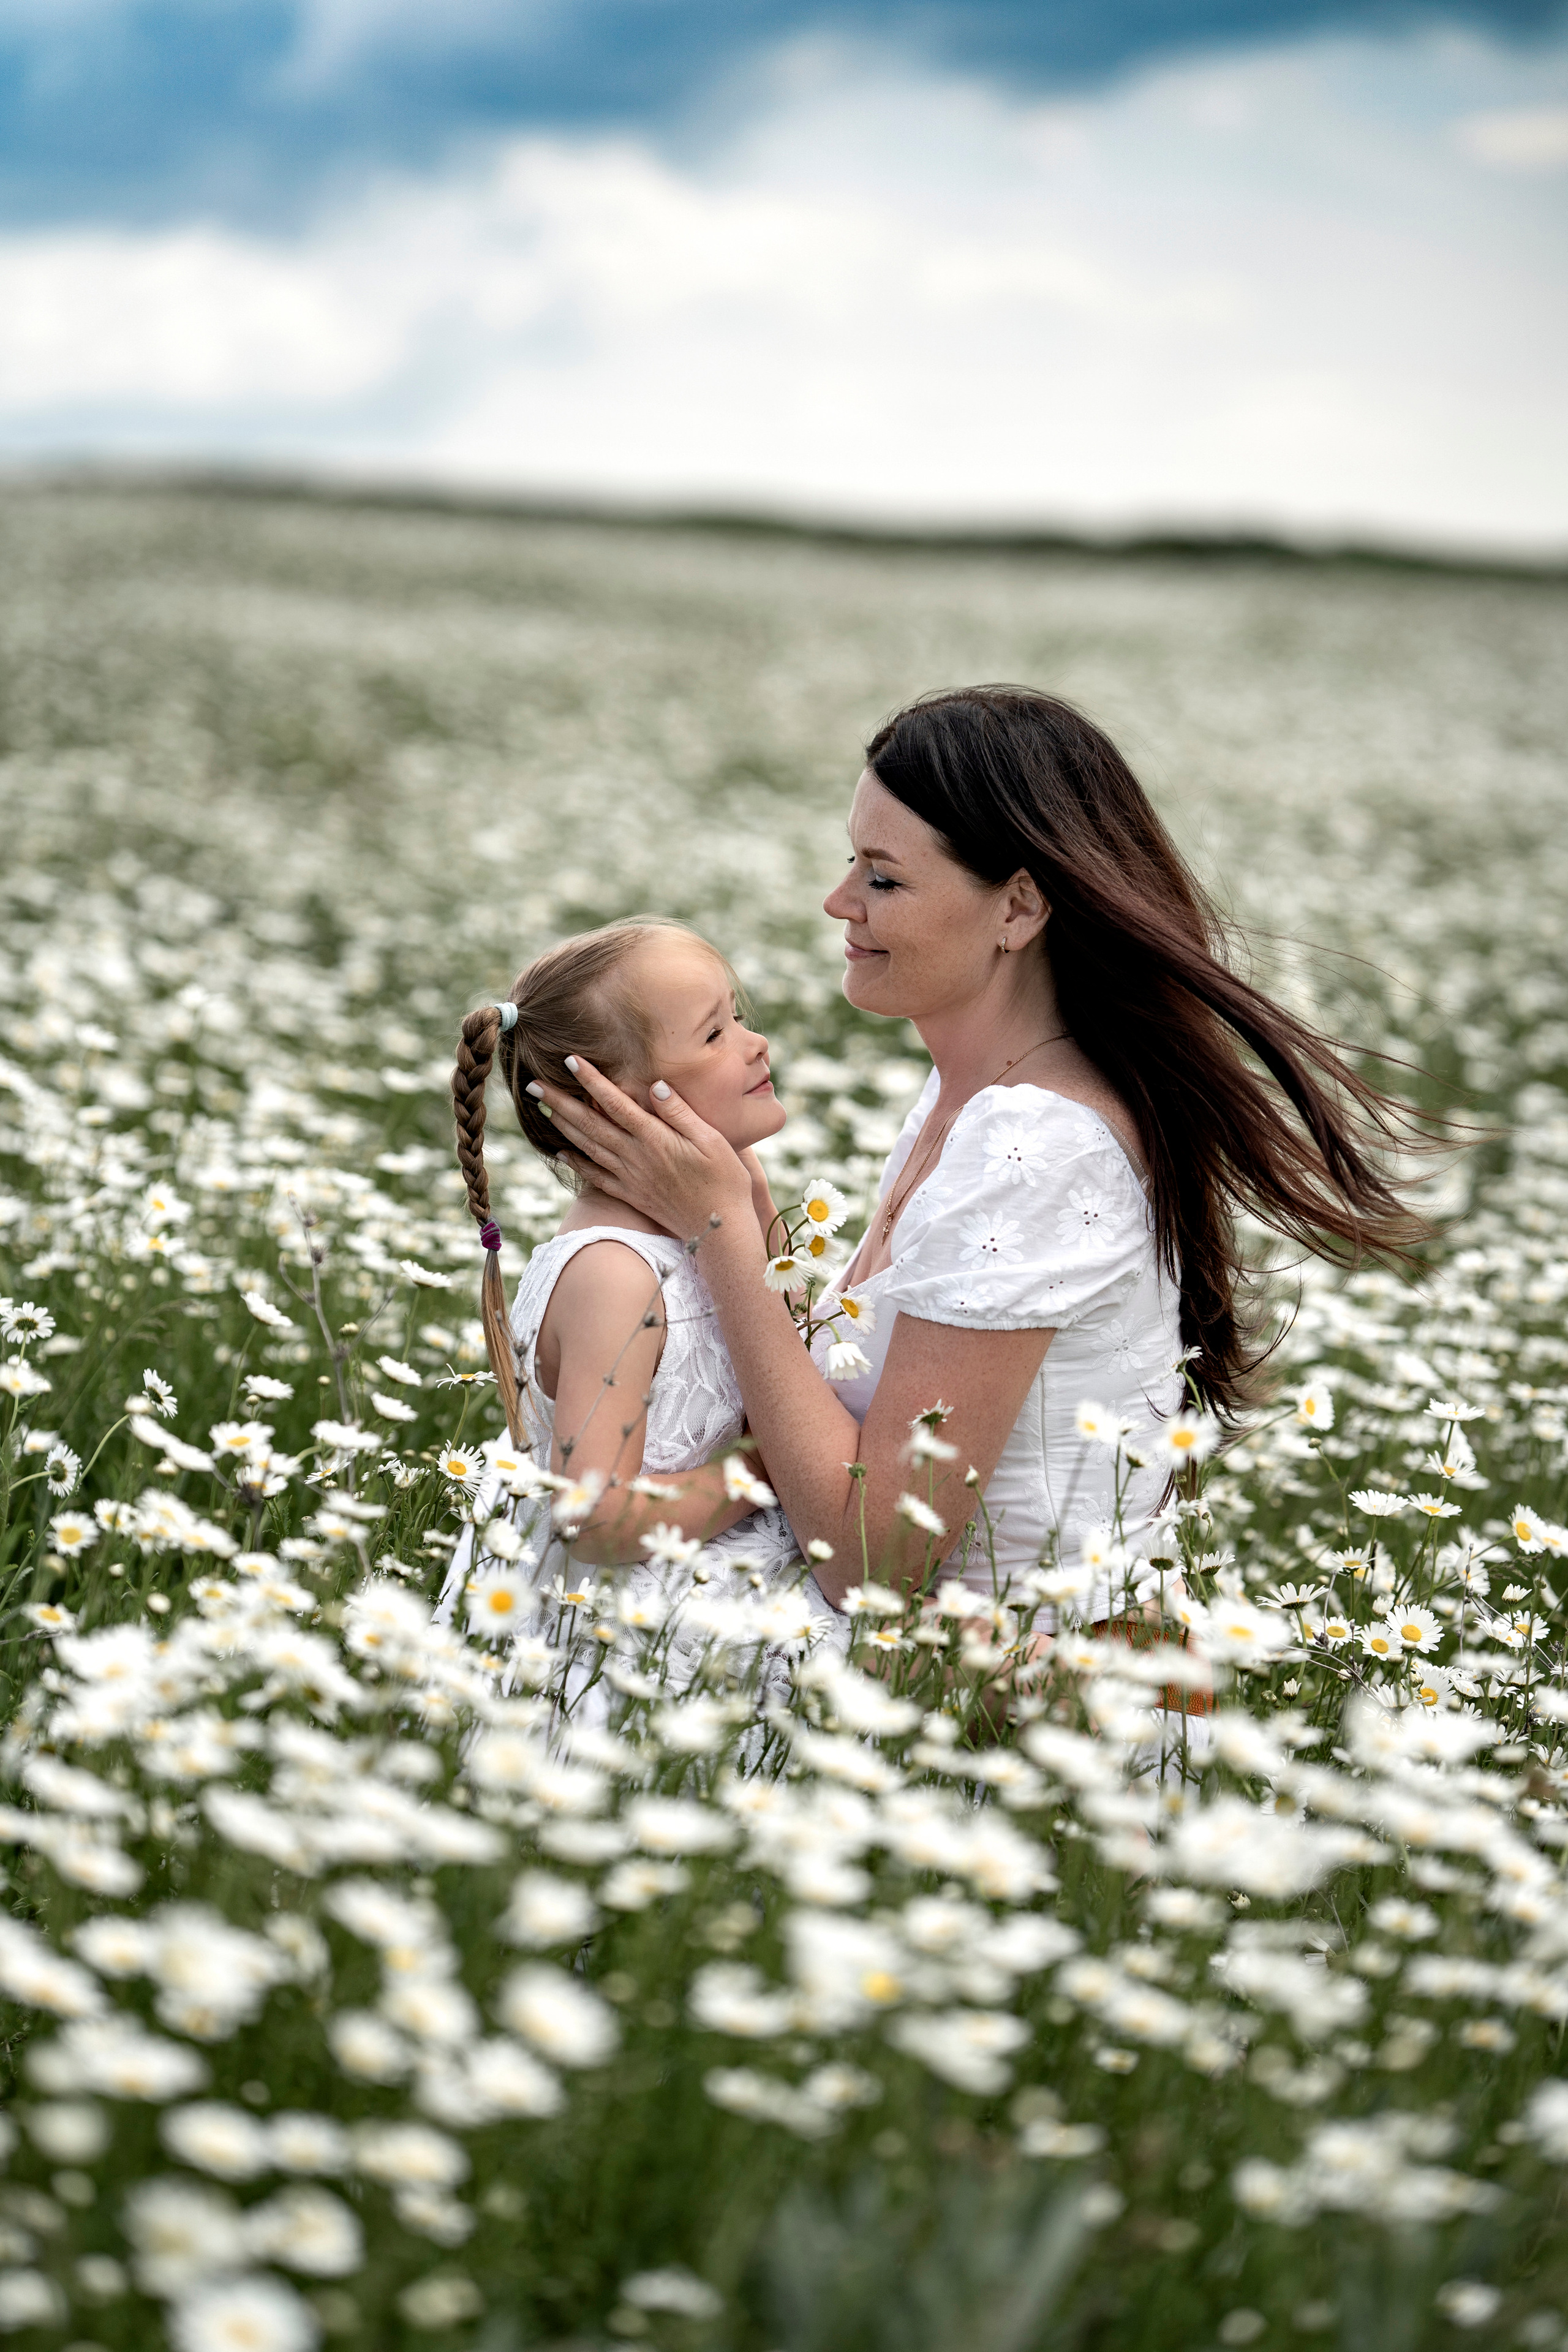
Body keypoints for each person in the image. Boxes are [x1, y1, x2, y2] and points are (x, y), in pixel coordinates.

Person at [525, 687, 1426, 1619]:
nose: (840, 902)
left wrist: (720, 1240)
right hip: (914, 1661)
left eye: (884, 878)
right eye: (852, 862)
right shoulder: (964, 1101)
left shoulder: (1031, 1147)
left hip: (991, 1700)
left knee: (577, 1635)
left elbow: (869, 1565)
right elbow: (825, 1427)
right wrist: (751, 1235)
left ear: (1020, 907)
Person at [440, 917, 818, 1640]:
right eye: (714, 1035)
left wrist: (749, 1197)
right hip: (619, 1629)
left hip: (710, 1574)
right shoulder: (613, 1273)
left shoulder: (730, 1200)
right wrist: (762, 1472)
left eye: (737, 1020)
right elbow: (593, 1518)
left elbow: (791, 1336)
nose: (756, 1042)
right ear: (609, 1104)